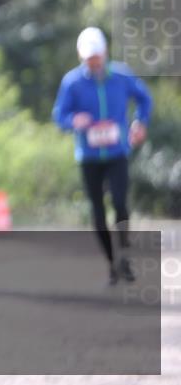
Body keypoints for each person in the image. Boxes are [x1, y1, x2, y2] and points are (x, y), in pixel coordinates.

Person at [52, 26, 153, 286]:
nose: (94, 61)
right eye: (89, 57)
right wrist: (74, 120)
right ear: (80, 56)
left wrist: (139, 123)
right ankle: (111, 263)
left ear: (105, 52)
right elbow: (59, 115)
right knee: (97, 212)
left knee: (120, 203)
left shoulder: (121, 76)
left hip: (117, 152)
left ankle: (125, 257)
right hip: (89, 156)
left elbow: (144, 99)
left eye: (96, 56)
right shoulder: (72, 82)